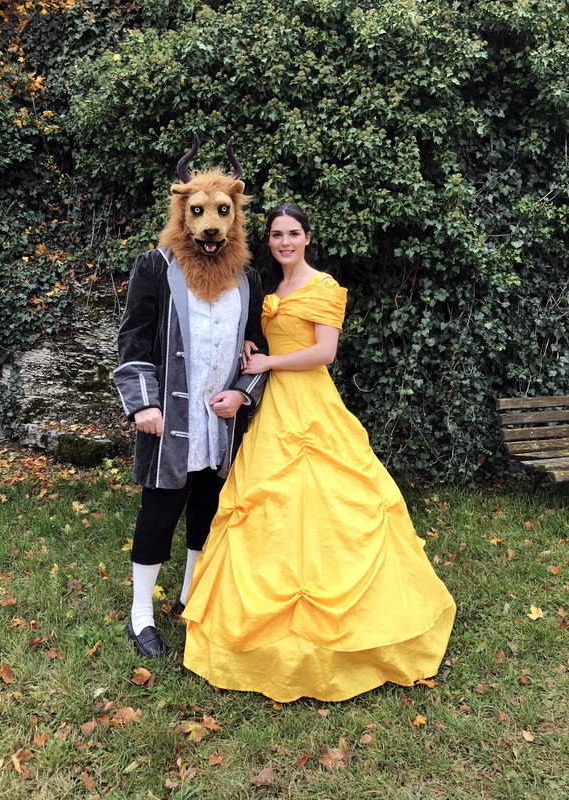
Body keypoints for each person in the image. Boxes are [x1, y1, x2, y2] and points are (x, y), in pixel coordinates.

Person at [182, 202, 456, 701]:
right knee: (266, 503)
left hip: (311, 404)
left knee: (326, 499)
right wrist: (251, 350)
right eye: (276, 235)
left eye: (293, 234)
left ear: (307, 238)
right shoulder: (268, 289)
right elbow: (258, 340)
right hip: (273, 409)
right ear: (269, 241)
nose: (284, 242)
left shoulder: (323, 285)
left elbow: (324, 352)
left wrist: (268, 361)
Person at [113, 136, 267, 658]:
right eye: (199, 212)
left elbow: (257, 348)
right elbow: (134, 338)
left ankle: (189, 597)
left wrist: (242, 395)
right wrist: (144, 403)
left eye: (222, 211)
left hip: (220, 422)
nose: (210, 225)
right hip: (169, 417)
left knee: (207, 511)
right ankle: (140, 614)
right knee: (159, 513)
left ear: (235, 214)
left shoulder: (248, 279)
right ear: (182, 212)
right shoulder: (155, 266)